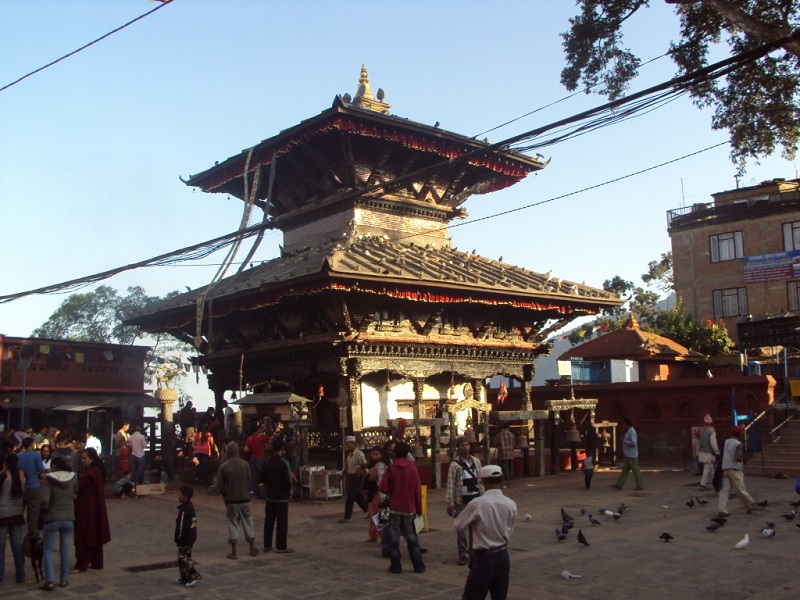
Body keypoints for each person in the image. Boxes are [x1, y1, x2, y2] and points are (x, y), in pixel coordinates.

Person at [454, 465, 517, 600]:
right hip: (503, 555)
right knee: (499, 596)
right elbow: (510, 528)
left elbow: (459, 525)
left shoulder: (478, 503)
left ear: (484, 482)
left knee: (473, 596)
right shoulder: (511, 504)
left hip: (484, 557)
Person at [378, 441, 425, 574]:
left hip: (394, 508)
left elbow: (383, 487)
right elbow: (417, 491)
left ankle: (396, 566)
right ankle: (418, 565)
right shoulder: (412, 469)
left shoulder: (391, 468)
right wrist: (419, 508)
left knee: (394, 539)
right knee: (412, 538)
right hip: (409, 508)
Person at [40, 454, 78, 591]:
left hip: (52, 517)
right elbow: (74, 494)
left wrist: (45, 511)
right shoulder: (72, 477)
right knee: (65, 549)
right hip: (68, 516)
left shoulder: (48, 480)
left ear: (54, 466)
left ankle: (49, 580)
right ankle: (63, 579)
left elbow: (44, 500)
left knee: (48, 549)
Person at [446, 435, 483, 566]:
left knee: (475, 527)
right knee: (461, 528)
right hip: (461, 500)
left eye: (467, 444)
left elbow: (480, 480)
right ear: (458, 448)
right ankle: (463, 553)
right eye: (462, 445)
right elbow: (450, 484)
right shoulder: (454, 465)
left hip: (476, 498)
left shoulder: (476, 462)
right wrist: (450, 503)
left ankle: (474, 552)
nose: (465, 447)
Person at [217, 442, 258, 559]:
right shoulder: (245, 464)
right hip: (245, 498)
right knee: (248, 522)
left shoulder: (224, 466)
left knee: (232, 524)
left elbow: (220, 486)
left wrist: (225, 498)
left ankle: (234, 552)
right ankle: (252, 547)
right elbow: (249, 481)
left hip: (231, 500)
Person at [73, 448, 111, 571]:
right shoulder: (95, 471)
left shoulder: (92, 473)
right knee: (93, 532)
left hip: (88, 506)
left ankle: (84, 561)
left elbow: (79, 485)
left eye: (85, 458)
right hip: (91, 504)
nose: (83, 461)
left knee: (87, 532)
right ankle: (96, 560)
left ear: (91, 458)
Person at [260, 438, 294, 553]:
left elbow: (263, 478)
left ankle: (267, 545)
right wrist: (289, 493)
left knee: (269, 521)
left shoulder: (267, 461)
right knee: (282, 523)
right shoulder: (284, 463)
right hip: (282, 498)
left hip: (270, 496)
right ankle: (281, 546)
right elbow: (288, 481)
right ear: (282, 449)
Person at [0, 453, 27, 585]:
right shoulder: (22, 476)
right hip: (17, 514)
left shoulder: (3, 476)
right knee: (17, 545)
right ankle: (20, 575)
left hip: (3, 514)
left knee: (1, 546)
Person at [718, 426, 756, 516]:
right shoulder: (738, 443)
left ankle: (722, 509)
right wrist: (742, 459)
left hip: (725, 467)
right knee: (740, 489)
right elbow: (737, 457)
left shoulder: (726, 442)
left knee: (724, 490)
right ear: (740, 434)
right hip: (734, 469)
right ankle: (751, 502)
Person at [17, 436, 46, 538]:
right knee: (33, 515)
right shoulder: (36, 455)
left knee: (19, 511)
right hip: (34, 486)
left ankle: (16, 533)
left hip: (21, 486)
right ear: (30, 445)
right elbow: (41, 470)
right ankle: (33, 536)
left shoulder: (19, 455)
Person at [175, 484, 202, 587]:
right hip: (190, 536)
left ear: (185, 497)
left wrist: (179, 538)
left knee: (185, 558)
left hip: (185, 538)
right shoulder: (189, 507)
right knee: (182, 558)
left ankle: (193, 575)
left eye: (179, 494)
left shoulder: (185, 510)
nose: (178, 496)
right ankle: (184, 577)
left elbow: (182, 526)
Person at [339, 435, 368, 524]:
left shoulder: (359, 454)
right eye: (346, 444)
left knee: (350, 497)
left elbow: (365, 465)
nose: (347, 446)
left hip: (357, 477)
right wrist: (342, 474)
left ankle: (347, 517)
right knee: (357, 496)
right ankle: (368, 510)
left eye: (348, 444)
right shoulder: (349, 455)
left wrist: (366, 475)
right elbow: (347, 466)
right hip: (351, 477)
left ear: (353, 444)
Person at [612, 419, 643, 491]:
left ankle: (640, 485)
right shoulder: (629, 431)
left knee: (635, 471)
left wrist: (624, 441)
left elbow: (633, 443)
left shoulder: (632, 432)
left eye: (624, 424)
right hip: (628, 455)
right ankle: (619, 484)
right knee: (625, 470)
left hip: (631, 455)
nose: (623, 426)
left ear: (627, 424)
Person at [365, 445, 385, 543]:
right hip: (373, 492)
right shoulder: (371, 465)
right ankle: (374, 535)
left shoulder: (379, 465)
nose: (374, 456)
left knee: (378, 515)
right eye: (373, 454)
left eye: (377, 454)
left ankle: (383, 536)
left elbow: (372, 478)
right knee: (374, 515)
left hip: (378, 494)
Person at [245, 425, 269, 499]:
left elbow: (245, 449)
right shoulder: (261, 437)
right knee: (264, 476)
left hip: (253, 458)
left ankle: (256, 493)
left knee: (254, 477)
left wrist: (251, 450)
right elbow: (269, 440)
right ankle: (266, 493)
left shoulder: (249, 438)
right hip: (261, 458)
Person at [697, 414, 720, 491]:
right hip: (709, 452)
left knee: (710, 468)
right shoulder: (711, 431)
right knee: (707, 468)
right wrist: (717, 452)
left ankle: (715, 482)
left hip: (702, 451)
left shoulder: (702, 430)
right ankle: (703, 484)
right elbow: (713, 443)